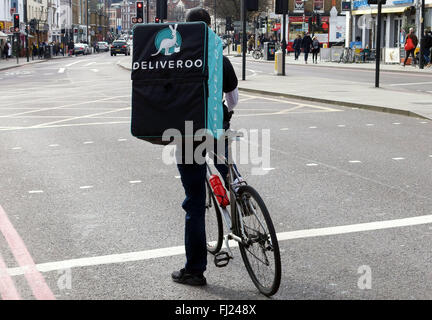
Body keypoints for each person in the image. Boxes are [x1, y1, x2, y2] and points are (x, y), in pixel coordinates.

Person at [171, 7, 239, 286]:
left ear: (186, 29)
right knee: (226, 169)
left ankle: (195, 270)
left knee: (195, 203)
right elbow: (232, 98)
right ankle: (240, 198)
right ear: (210, 28)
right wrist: (224, 113)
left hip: (188, 133)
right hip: (217, 126)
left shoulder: (176, 57)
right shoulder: (219, 59)